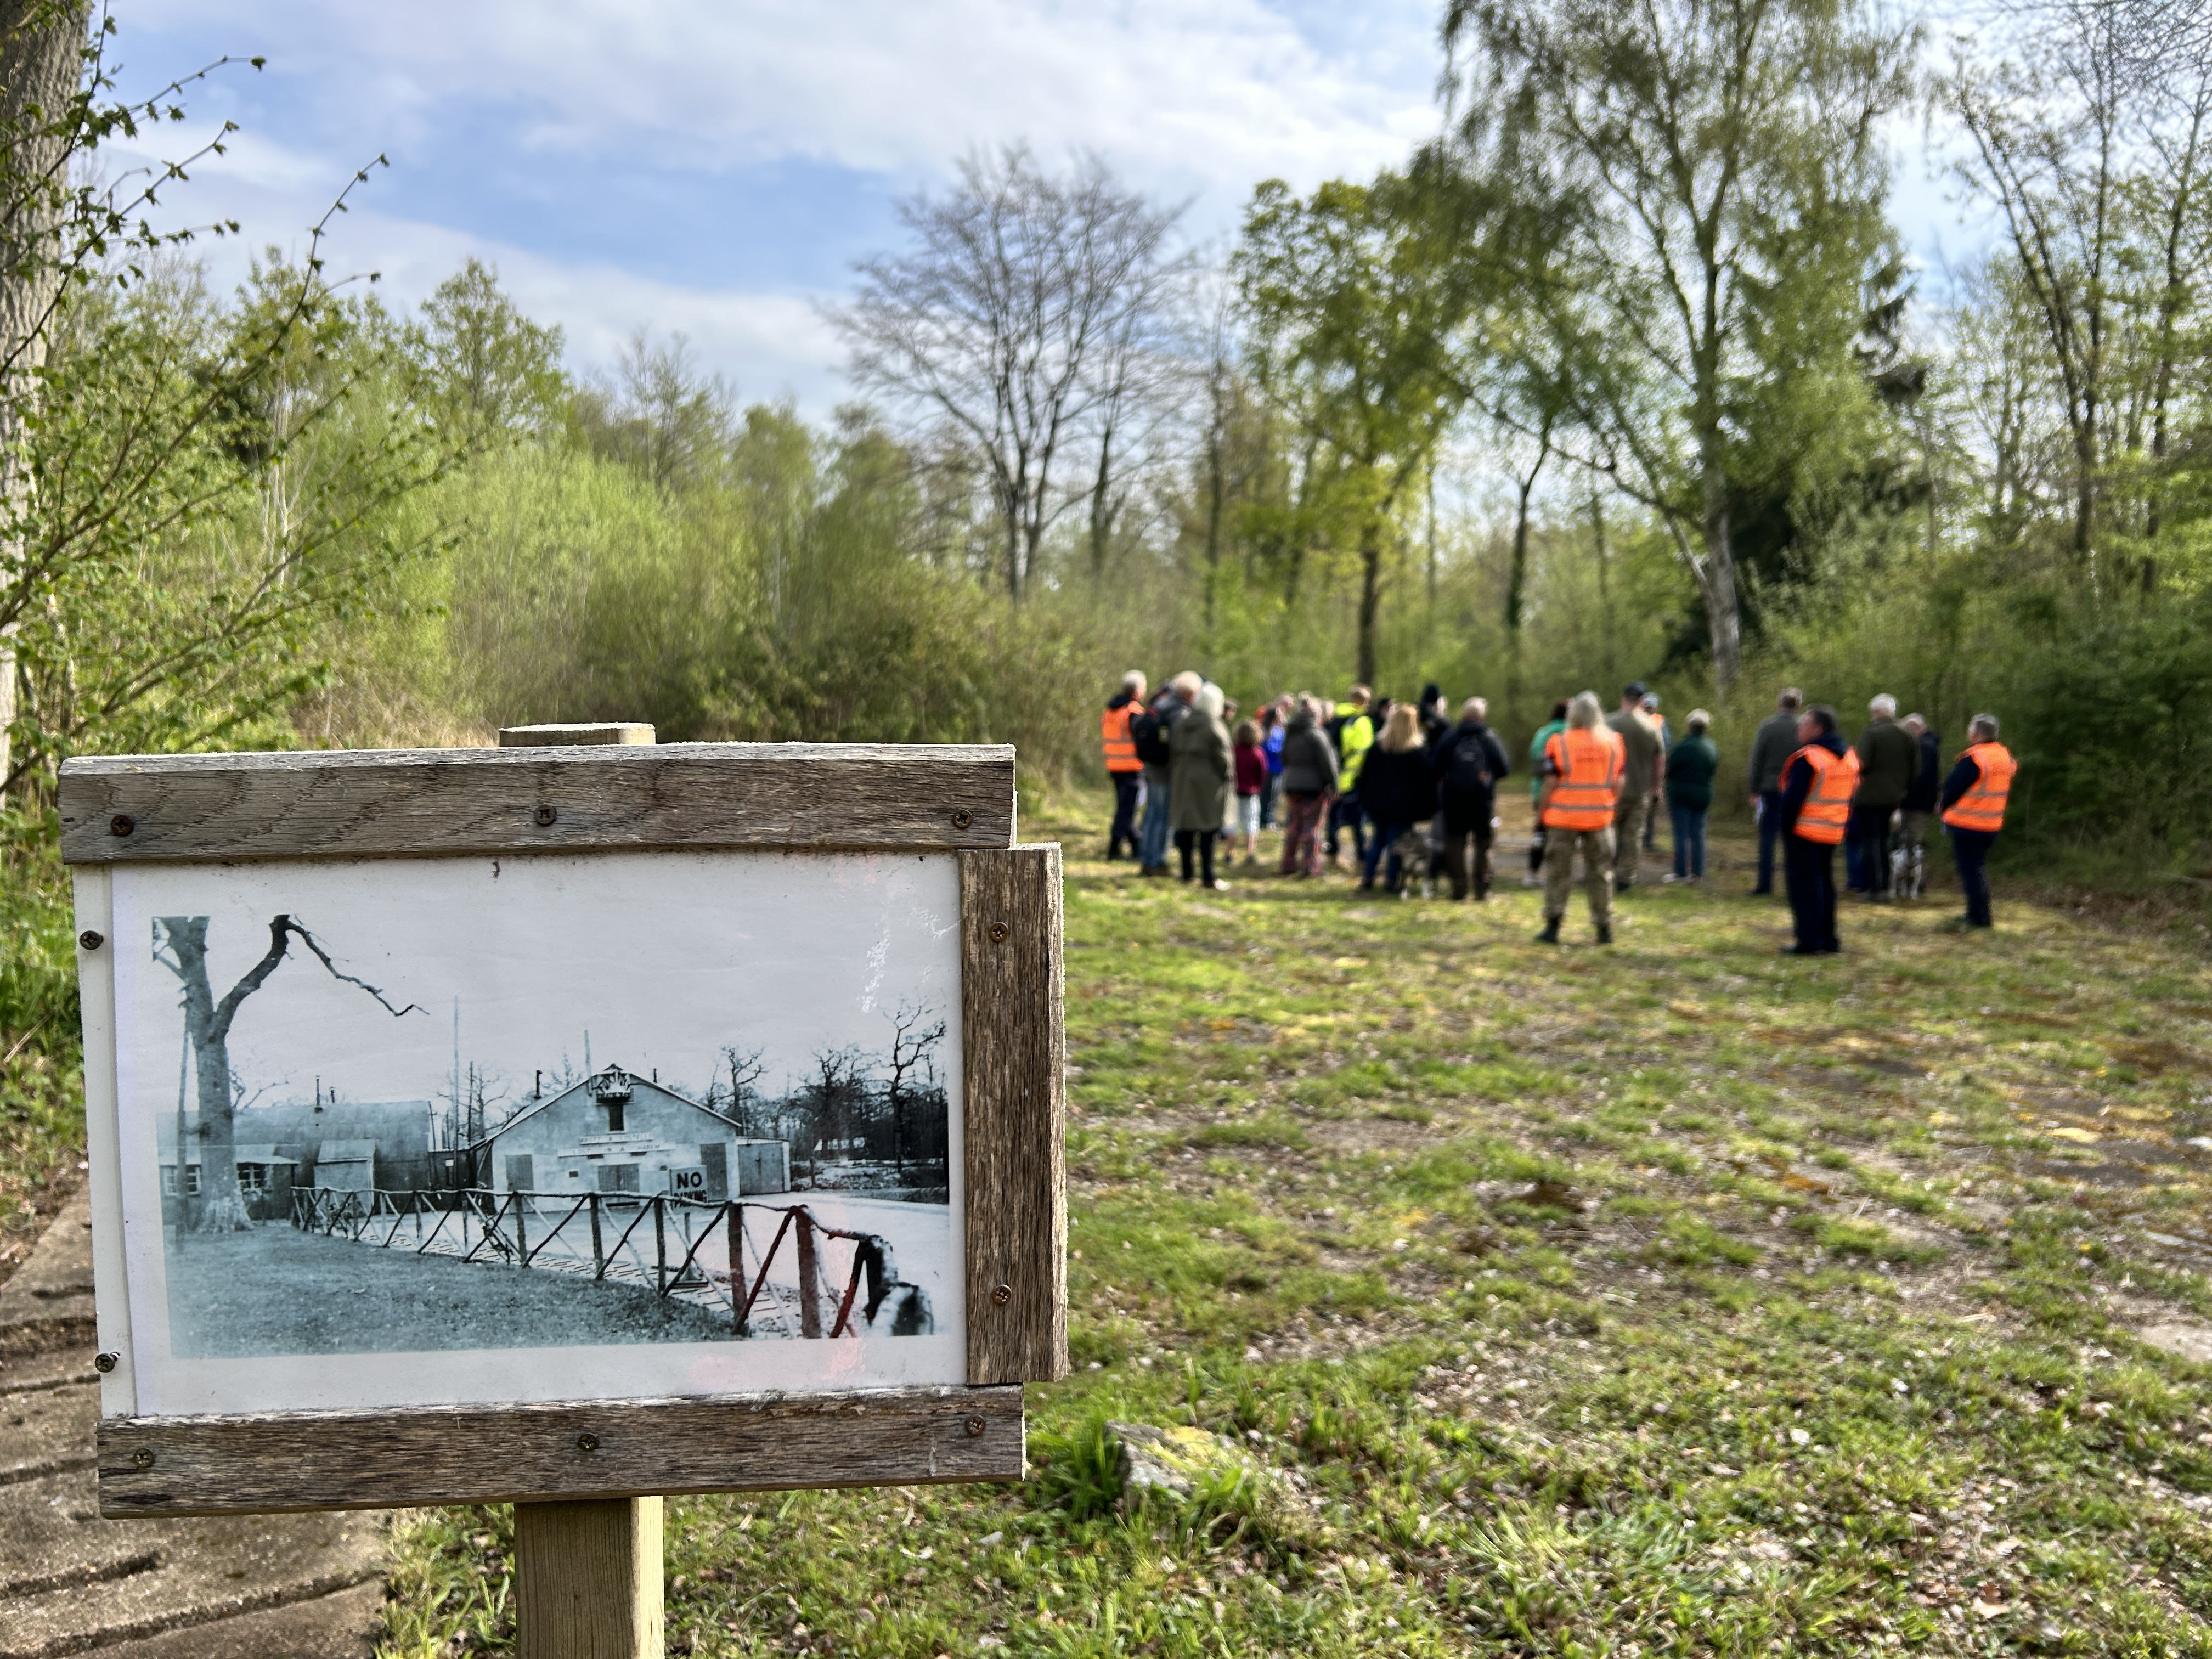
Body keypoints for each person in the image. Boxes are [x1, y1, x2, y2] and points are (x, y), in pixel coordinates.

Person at [1537, 691, 1625, 944]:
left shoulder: (1559, 742)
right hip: (1600, 818)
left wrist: (1541, 814)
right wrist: (1609, 805)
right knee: (1601, 873)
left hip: (1563, 819)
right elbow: (1620, 780)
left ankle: (1553, 926)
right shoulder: (1614, 742)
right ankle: (1604, 928)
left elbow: (1550, 782)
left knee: (1558, 872)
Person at [1776, 704, 1857, 955]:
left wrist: (1785, 827)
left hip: (1805, 830)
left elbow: (1792, 799)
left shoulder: (1810, 757)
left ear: (1818, 729)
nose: (1799, 728)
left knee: (1804, 887)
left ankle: (1808, 941)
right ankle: (1828, 939)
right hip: (1833, 830)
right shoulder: (1848, 758)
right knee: (1825, 884)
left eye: (1804, 724)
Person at [1939, 714, 2016, 930]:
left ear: (1975, 733)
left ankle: (1979, 916)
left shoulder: (1975, 758)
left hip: (1969, 824)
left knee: (1971, 871)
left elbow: (1954, 786)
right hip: (1992, 824)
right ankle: (1979, 913)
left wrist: (1942, 804)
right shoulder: (2005, 757)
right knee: (1977, 869)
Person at [1435, 697, 1511, 900]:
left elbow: (1435, 767)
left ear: (1463, 715)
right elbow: (1504, 768)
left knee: (1455, 845)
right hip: (1482, 801)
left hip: (1454, 801)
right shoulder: (1489, 738)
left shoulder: (1450, 737)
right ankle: (1481, 889)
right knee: (1483, 845)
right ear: (1482, 716)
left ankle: (1459, 888)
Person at [1847, 694, 1918, 900]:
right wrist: (1903, 789)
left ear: (1877, 713)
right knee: (1886, 842)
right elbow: (1916, 769)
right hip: (1895, 797)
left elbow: (1860, 763)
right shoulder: (1907, 735)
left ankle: (1875, 888)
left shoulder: (1872, 734)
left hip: (1869, 797)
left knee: (1871, 841)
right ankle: (1887, 886)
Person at [1356, 704, 1432, 894]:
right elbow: (1425, 784)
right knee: (1396, 845)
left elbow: (1365, 776)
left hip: (1378, 804)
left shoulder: (1378, 747)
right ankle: (1391, 881)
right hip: (1403, 807)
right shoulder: (1417, 752)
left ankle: (1368, 878)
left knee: (1377, 841)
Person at [1169, 679, 1233, 889]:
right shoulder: (1214, 725)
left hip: (1183, 778)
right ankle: (1209, 876)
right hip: (1207, 783)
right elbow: (1223, 757)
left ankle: (1187, 873)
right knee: (1208, 830)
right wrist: (1227, 776)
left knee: (1186, 829)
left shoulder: (1184, 723)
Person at [1605, 682, 1664, 890]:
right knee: (1633, 836)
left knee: (1610, 833)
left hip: (1612, 790)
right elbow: (1659, 759)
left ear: (1623, 698)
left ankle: (1607, 872)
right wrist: (1657, 787)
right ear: (1642, 701)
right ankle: (1626, 877)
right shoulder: (1651, 727)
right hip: (1640, 790)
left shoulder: (1609, 723)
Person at [1746, 688, 1804, 896]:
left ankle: (1765, 884)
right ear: (1798, 705)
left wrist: (1753, 788)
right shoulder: (1803, 728)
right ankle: (1794, 885)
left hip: (1770, 787)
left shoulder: (1768, 727)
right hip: (1797, 788)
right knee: (1795, 837)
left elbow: (1757, 758)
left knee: (1768, 836)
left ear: (1779, 704)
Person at [1277, 696, 1339, 877]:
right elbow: (1328, 764)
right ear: (1315, 715)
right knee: (1312, 828)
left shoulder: (1291, 733)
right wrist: (1334, 786)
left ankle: (1288, 864)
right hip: (1314, 787)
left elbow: (1284, 759)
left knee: (1294, 826)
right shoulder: (1317, 734)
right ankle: (1310, 866)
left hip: (1292, 785)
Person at [1132, 678, 1188, 877]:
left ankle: (1147, 858)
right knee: (1163, 816)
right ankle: (1157, 861)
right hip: (1166, 772)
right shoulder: (1178, 711)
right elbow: (1179, 743)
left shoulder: (1158, 705)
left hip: (1151, 770)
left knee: (1151, 814)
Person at [1664, 708, 1718, 883]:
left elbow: (1669, 770)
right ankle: (1698, 873)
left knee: (1681, 834)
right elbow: (1712, 769)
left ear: (1689, 726)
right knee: (1698, 833)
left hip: (1681, 794)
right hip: (1703, 794)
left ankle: (1680, 872)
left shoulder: (1681, 747)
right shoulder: (1711, 747)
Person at [1325, 686, 1375, 870]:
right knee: (1357, 822)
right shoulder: (1362, 722)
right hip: (1353, 780)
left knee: (1333, 820)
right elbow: (1364, 752)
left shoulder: (1333, 717)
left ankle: (1332, 855)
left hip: (1332, 779)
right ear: (1363, 702)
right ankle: (1362, 858)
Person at [1101, 671, 1147, 862]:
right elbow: (1142, 740)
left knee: (1125, 808)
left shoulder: (1110, 710)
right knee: (1126, 810)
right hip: (1131, 767)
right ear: (1137, 692)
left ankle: (1136, 846)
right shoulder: (1133, 712)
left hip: (1114, 766)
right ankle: (1114, 848)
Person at [1525, 699, 1568, 887]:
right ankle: (1556, 873)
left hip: (1538, 789)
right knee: (1561, 836)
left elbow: (1534, 758)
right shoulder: (1568, 734)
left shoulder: (1542, 733)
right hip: (1562, 792)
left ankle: (1532, 872)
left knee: (1540, 833)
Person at [1897, 714, 1941, 891]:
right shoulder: (1927, 745)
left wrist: (1903, 797)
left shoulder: (1924, 747)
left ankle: (1916, 882)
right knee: (1908, 841)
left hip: (1918, 804)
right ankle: (1908, 881)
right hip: (1918, 802)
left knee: (1914, 842)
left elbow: (1920, 778)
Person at [1640, 692, 1672, 855]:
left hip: (1650, 768)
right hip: (1643, 769)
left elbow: (1665, 747)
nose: (1650, 709)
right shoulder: (1658, 721)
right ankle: (1644, 838)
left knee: (1651, 804)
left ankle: (1647, 838)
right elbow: (1666, 747)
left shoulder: (1659, 721)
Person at [1232, 719, 1267, 864]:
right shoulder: (1258, 753)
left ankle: (1230, 852)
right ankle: (1250, 852)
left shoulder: (1233, 750)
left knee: (1232, 822)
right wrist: (1258, 787)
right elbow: (1263, 773)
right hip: (1251, 791)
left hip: (1235, 791)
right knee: (1251, 822)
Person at [1261, 697, 1291, 830]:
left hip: (1279, 768)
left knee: (1275, 795)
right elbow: (1269, 748)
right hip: (1270, 767)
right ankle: (1266, 820)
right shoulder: (1267, 731)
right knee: (1268, 795)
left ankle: (1270, 818)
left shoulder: (1280, 730)